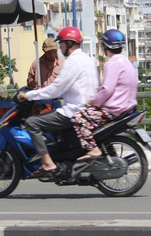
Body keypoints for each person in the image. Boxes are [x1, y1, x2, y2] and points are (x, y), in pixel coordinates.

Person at [17, 26, 98, 178]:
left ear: (68, 43)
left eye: (60, 44)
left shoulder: (71, 62)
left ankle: (47, 162)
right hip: (83, 109)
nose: (59, 48)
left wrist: (29, 96)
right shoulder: (87, 59)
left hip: (72, 110)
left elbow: (56, 89)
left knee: (32, 123)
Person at [72, 29, 137, 161]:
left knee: (78, 118)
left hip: (114, 109)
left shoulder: (112, 63)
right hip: (127, 107)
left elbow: (107, 90)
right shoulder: (126, 62)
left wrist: (93, 100)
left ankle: (93, 149)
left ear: (105, 46)